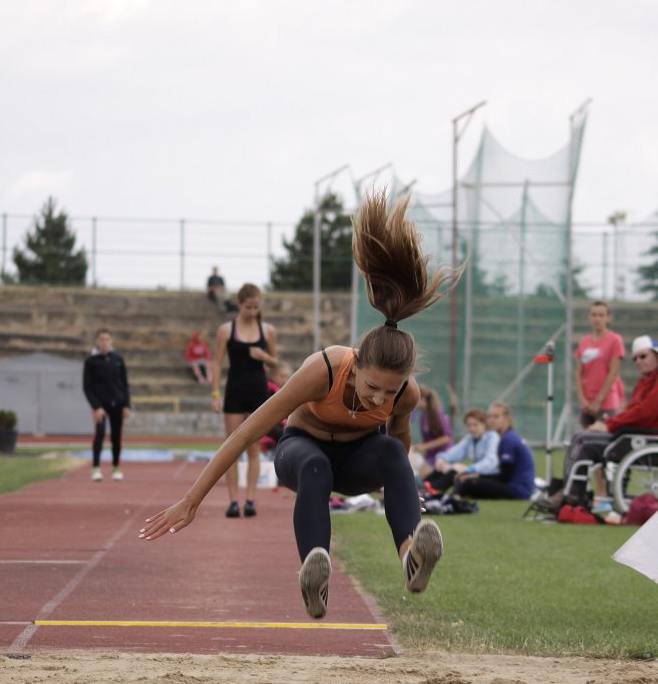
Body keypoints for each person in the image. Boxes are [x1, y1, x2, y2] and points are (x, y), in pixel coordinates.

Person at [140, 192, 460, 621]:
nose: (380, 399)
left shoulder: (407, 394)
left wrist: (399, 486)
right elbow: (247, 432)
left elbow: (398, 446)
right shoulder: (324, 369)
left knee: (387, 450)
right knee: (315, 465)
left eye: (390, 392)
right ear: (355, 365)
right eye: (372, 387)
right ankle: (315, 575)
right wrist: (191, 501)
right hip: (302, 452)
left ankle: (410, 558)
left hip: (359, 461)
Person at [536, 335, 658, 510]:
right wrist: (610, 423)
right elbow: (633, 410)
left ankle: (571, 496)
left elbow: (645, 413)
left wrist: (608, 425)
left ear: (657, 354)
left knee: (583, 442)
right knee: (579, 437)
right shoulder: (649, 378)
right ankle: (568, 491)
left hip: (642, 437)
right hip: (632, 433)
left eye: (643, 356)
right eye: (635, 358)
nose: (638, 361)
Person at [212, 283, 280, 518]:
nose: (252, 312)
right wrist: (215, 394)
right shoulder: (226, 330)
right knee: (231, 448)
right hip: (234, 391)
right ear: (239, 304)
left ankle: (250, 500)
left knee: (254, 447)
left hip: (258, 391)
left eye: (255, 307)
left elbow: (275, 362)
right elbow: (217, 363)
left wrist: (263, 356)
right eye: (248, 307)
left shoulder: (267, 330)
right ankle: (233, 501)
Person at [453, 402, 536, 500]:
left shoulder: (508, 439)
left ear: (506, 418)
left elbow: (505, 477)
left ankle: (452, 498)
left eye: (496, 417)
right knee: (466, 480)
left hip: (518, 490)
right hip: (517, 487)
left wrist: (478, 476)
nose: (491, 420)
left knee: (469, 483)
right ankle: (453, 496)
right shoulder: (508, 436)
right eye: (489, 417)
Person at [82, 328, 131, 482]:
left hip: (118, 404)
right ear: (97, 341)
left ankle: (116, 467)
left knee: (116, 437)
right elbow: (87, 387)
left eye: (107, 339)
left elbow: (125, 384)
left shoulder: (118, 359)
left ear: (111, 341)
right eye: (101, 339)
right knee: (100, 434)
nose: (104, 342)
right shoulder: (91, 361)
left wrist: (127, 405)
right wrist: (96, 407)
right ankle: (96, 468)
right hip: (100, 406)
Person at [424, 408, 498, 494]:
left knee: (456, 471)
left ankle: (432, 489)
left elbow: (490, 462)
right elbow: (454, 453)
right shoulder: (470, 439)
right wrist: (442, 459)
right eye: (469, 425)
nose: (472, 429)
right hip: (476, 473)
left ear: (484, 424)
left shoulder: (492, 437)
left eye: (475, 425)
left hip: (490, 475)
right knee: (443, 466)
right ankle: (423, 486)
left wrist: (468, 469)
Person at [575, 301, 626, 427]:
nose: (597, 319)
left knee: (601, 436)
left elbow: (613, 372)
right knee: (585, 437)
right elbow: (579, 372)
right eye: (594, 315)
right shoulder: (584, 341)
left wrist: (598, 401)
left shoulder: (615, 340)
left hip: (606, 403)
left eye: (601, 315)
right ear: (589, 317)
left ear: (608, 318)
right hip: (587, 404)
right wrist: (582, 398)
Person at [412, 386, 453, 479]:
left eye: (416, 399)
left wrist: (423, 446)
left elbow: (446, 438)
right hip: (430, 457)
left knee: (420, 477)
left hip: (442, 456)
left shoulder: (438, 413)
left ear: (423, 399)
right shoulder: (424, 415)